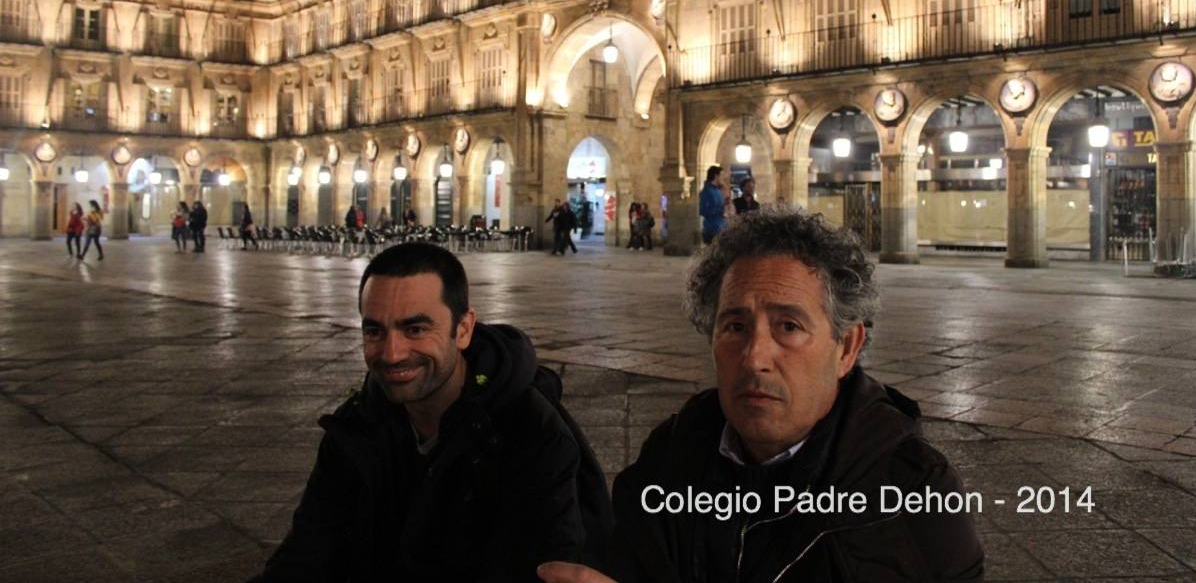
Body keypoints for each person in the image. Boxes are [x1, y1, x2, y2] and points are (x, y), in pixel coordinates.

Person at [539, 208, 984, 583]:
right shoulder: (670, 460)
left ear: (847, 347)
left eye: (788, 327)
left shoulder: (915, 493)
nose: (754, 358)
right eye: (734, 327)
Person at [252, 242, 612, 581]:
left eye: (416, 328)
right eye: (375, 330)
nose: (392, 353)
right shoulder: (359, 426)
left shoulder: (530, 434)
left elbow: (534, 568)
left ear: (464, 329)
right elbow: (304, 557)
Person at [698, 165, 726, 245]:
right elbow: (702, 210)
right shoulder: (707, 191)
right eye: (721, 176)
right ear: (716, 176)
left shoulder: (718, 191)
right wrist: (721, 211)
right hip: (712, 231)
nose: (723, 178)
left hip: (721, 228)